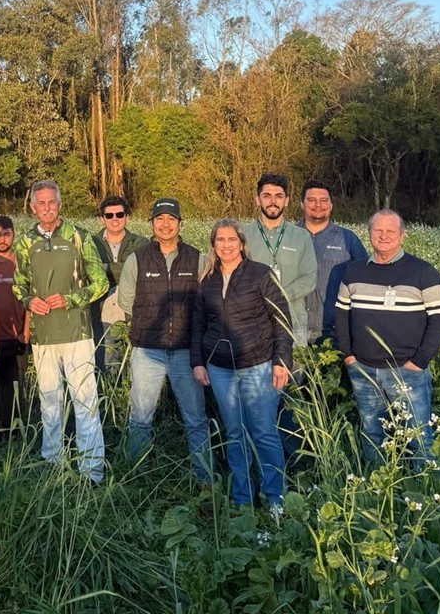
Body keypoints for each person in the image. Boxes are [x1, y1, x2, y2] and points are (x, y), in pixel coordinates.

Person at [192, 220, 292, 508]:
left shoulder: (260, 274)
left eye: (231, 239)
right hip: (220, 369)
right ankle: (243, 500)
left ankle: (276, 499)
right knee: (234, 432)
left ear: (241, 243)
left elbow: (281, 320)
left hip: (257, 366)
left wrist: (281, 362)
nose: (226, 245)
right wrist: (199, 362)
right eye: (220, 240)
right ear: (213, 245)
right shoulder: (206, 279)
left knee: (263, 431)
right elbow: (198, 323)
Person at [13, 180, 108, 484]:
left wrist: (71, 300)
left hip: (77, 334)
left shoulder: (78, 237)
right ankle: (52, 465)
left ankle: (91, 471)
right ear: (32, 207)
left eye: (51, 202)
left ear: (60, 204)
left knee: (85, 402)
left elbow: (101, 283)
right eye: (40, 203)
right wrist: (30, 301)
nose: (47, 208)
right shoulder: (25, 242)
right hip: (43, 338)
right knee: (50, 401)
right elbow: (19, 286)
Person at [335, 210, 440, 463]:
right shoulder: (353, 272)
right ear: (370, 234)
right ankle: (377, 491)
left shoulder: (424, 272)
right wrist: (349, 357)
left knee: (418, 437)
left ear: (402, 236)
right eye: (378, 230)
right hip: (364, 370)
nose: (383, 236)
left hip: (407, 370)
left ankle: (425, 490)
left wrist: (419, 362)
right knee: (373, 434)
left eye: (390, 231)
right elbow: (341, 317)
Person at [118, 199, 211, 485]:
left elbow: (206, 303)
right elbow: (125, 301)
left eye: (171, 218)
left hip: (186, 351)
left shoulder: (198, 259)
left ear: (181, 224)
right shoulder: (137, 259)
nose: (166, 224)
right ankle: (138, 477)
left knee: (196, 419)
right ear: (152, 224)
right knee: (140, 418)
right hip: (147, 351)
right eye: (160, 218)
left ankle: (204, 479)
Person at [245, 173, 317, 346]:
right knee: (254, 373)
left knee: (294, 373)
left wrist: (278, 297)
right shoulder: (242, 235)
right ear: (257, 199)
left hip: (293, 320)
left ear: (287, 201)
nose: (273, 201)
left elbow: (309, 279)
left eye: (279, 196)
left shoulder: (302, 237)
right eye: (267, 196)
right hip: (252, 321)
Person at [297, 180, 367, 344]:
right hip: (294, 329)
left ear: (331, 204)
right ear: (302, 204)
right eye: (311, 200)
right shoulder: (288, 237)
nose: (318, 205)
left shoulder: (348, 239)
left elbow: (366, 280)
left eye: (324, 200)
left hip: (334, 331)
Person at [91, 195, 147, 372]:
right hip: (101, 308)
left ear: (127, 217)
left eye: (119, 214)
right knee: (107, 354)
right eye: (109, 215)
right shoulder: (91, 243)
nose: (114, 219)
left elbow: (142, 272)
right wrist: (126, 269)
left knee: (135, 356)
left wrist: (105, 268)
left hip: (134, 308)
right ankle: (111, 392)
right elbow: (90, 272)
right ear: (101, 219)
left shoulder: (141, 243)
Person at [0, 216, 30, 429]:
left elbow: (31, 298)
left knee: (14, 390)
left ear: (14, 235)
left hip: (16, 338)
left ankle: (13, 433)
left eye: (7, 234)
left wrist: (26, 332)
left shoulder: (22, 263)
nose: (2, 239)